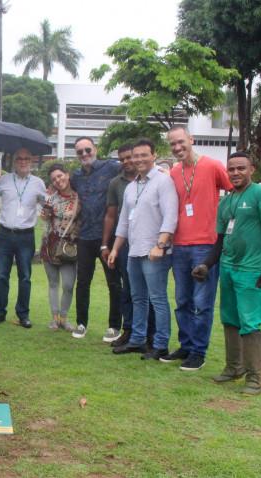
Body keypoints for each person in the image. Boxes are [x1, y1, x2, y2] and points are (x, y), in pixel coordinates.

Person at [192, 152, 261, 395]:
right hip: (228, 269)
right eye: (231, 169)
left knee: (250, 322)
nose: (235, 173)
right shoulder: (226, 201)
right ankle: (234, 367)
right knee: (230, 319)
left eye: (241, 168)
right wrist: (206, 265)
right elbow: (220, 241)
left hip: (251, 270)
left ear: (251, 169)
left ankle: (254, 378)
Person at [163, 126, 233, 371]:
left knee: (202, 302)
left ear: (191, 140)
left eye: (181, 142)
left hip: (206, 245)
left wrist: (225, 224)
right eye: (172, 144)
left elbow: (233, 191)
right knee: (182, 300)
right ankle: (186, 345)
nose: (177, 147)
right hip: (180, 245)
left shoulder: (212, 166)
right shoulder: (173, 172)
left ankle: (198, 352)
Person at [109, 139, 178, 360]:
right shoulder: (131, 187)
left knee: (157, 299)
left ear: (154, 155)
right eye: (135, 155)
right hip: (133, 251)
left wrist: (161, 245)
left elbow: (171, 215)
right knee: (137, 297)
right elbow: (123, 222)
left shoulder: (163, 181)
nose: (138, 159)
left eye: (143, 155)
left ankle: (160, 344)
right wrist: (115, 248)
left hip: (154, 252)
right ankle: (137, 340)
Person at [101, 145, 156, 348]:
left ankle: (151, 335)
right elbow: (111, 215)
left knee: (150, 291)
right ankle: (130, 330)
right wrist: (106, 245)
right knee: (128, 290)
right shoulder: (116, 183)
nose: (126, 162)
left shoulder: (154, 180)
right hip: (124, 243)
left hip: (148, 242)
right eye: (122, 159)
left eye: (129, 157)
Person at [0, 147, 46, 329]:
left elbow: (48, 205)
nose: (23, 161)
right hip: (5, 234)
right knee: (2, 275)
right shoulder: (3, 180)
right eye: (19, 158)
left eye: (26, 158)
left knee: (25, 277)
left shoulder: (38, 183)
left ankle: (23, 314)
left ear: (32, 161)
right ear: (14, 161)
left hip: (26, 236)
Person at [70, 137, 122, 341]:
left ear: (96, 149)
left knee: (113, 282)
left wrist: (163, 169)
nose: (84, 154)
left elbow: (133, 167)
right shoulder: (75, 176)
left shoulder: (111, 168)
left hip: (107, 236)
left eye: (87, 150)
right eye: (80, 152)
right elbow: (64, 191)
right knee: (82, 282)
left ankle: (114, 326)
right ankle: (81, 323)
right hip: (84, 236)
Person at [39, 163, 80, 331]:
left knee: (69, 285)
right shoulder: (50, 199)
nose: (58, 180)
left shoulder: (79, 196)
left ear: (67, 175)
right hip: (50, 244)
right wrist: (44, 216)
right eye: (54, 179)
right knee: (53, 283)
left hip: (70, 246)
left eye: (60, 176)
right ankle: (55, 318)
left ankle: (64, 317)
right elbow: (45, 220)